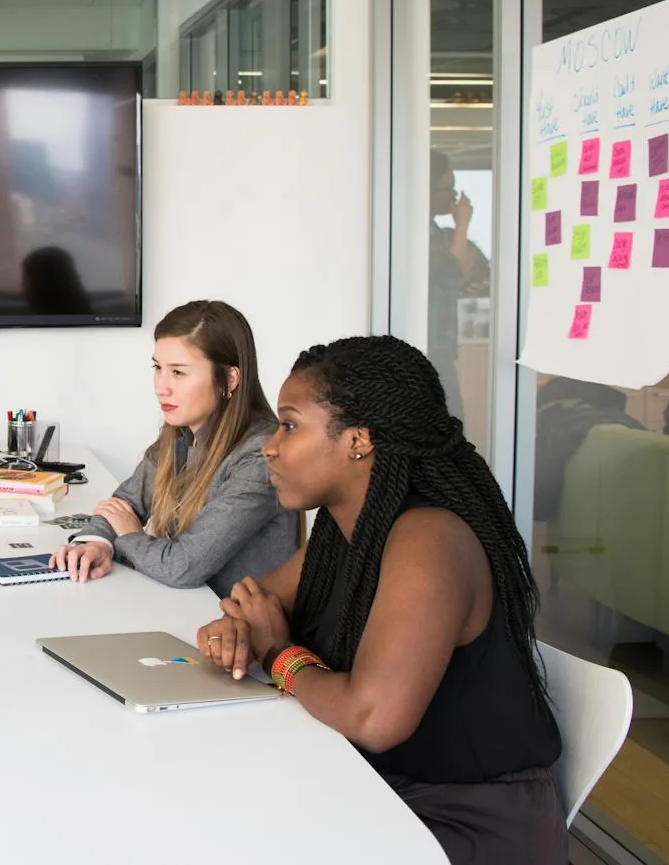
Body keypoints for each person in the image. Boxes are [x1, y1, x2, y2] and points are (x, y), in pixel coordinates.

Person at [199, 335, 564, 864]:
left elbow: (374, 718)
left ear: (358, 441)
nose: (269, 445)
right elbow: (252, 605)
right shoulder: (346, 529)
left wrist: (280, 655)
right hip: (374, 786)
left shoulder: (429, 539)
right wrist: (235, 629)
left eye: (291, 424)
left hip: (462, 821)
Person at [49, 300, 293, 591]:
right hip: (192, 612)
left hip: (235, 627)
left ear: (230, 378)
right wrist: (95, 543)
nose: (160, 386)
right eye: (158, 368)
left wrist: (128, 537)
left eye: (178, 372)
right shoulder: (179, 433)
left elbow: (181, 567)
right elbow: (124, 503)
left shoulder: (259, 457)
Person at [429, 151, 491, 421]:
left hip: (442, 350)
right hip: (427, 350)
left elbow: (475, 278)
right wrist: (463, 224)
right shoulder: (413, 231)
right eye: (448, 188)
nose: (455, 195)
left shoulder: (442, 236)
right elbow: (447, 272)